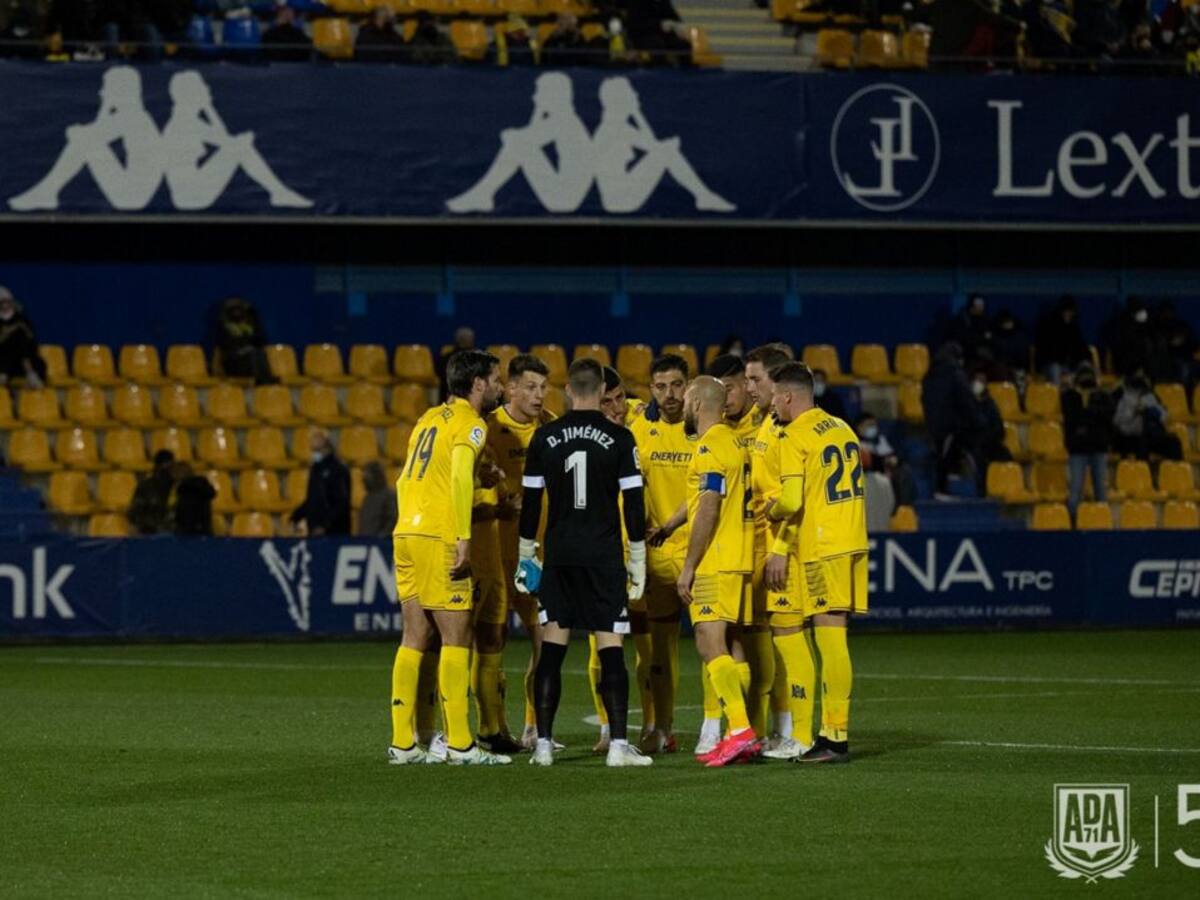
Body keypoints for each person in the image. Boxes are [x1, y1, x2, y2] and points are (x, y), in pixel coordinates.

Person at [516, 358, 651, 768]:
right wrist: (638, 558)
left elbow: (530, 502)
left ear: (570, 390)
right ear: (602, 390)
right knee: (611, 650)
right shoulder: (621, 437)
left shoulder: (544, 437)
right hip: (603, 557)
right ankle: (618, 747)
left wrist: (525, 554)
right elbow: (634, 502)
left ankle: (543, 745)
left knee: (552, 650)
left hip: (560, 557)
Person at [389, 349, 508, 766]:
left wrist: (478, 476)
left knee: (414, 637)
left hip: (407, 531)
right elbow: (457, 476)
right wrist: (462, 538)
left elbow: (407, 478)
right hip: (439, 535)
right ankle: (460, 744)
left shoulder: (428, 419)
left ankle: (403, 744)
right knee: (457, 638)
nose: (500, 387)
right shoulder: (471, 424)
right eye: (496, 380)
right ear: (477, 384)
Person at [767, 361, 869, 764]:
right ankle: (831, 732)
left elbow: (792, 500)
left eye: (776, 397)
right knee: (835, 637)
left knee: (830, 640)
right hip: (850, 538)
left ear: (788, 397)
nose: (773, 404)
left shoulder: (795, 434)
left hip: (823, 545)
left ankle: (835, 737)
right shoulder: (842, 427)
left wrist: (771, 508)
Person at [675, 376, 757, 767]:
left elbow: (708, 507)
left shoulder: (709, 446)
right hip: (738, 556)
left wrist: (689, 566)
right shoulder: (735, 442)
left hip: (715, 559)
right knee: (733, 644)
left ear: (696, 402)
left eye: (685, 399)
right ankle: (736, 734)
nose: (682, 406)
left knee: (709, 644)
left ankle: (739, 729)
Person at [485, 353, 555, 751]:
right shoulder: (489, 428)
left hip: (538, 556)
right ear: (510, 388)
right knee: (490, 643)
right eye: (530, 387)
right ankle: (494, 728)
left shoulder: (551, 426)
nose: (538, 395)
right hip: (496, 554)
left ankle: (533, 726)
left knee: (545, 641)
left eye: (543, 387)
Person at [745, 343, 811, 758]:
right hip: (769, 546)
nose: (750, 387)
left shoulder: (787, 430)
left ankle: (799, 735)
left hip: (786, 550)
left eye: (755, 379)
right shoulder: (768, 423)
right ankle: (788, 730)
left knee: (791, 639)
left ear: (777, 381)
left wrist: (781, 549)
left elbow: (792, 499)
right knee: (780, 641)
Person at [628, 353, 694, 754]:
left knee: (716, 644)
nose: (669, 394)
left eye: (676, 385)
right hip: (656, 554)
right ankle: (661, 726)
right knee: (659, 650)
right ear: (651, 389)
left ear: (688, 386)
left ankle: (722, 727)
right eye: (661, 386)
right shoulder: (639, 430)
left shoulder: (705, 429)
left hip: (700, 553)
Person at [8, 67, 164, 212]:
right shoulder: (135, 115)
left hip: (131, 196)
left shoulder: (132, 117)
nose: (102, 92)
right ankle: (47, 191)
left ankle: (47, 191)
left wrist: (104, 107)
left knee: (83, 139)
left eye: (106, 87)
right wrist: (102, 111)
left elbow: (90, 133)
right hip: (131, 193)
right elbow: (96, 130)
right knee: (85, 138)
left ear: (120, 91)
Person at [162, 71, 312, 211]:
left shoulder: (186, 120)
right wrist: (208, 107)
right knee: (240, 146)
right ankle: (279, 192)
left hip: (189, 194)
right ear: (191, 94)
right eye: (202, 86)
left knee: (239, 146)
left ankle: (279, 192)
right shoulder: (185, 123)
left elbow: (223, 138)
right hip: (191, 195)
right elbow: (226, 141)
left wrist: (208, 107)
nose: (207, 89)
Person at [446, 72, 594, 214]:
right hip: (563, 195)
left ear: (554, 95)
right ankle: (483, 193)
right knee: (519, 143)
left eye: (539, 92)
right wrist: (539, 111)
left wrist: (536, 113)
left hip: (563, 199)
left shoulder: (564, 121)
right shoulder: (564, 119)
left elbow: (520, 137)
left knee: (518, 143)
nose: (535, 97)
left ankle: (483, 194)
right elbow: (530, 134)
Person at [592, 77, 734, 213]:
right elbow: (655, 146)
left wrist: (636, 113)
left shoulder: (618, 126)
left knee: (666, 150)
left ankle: (703, 196)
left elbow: (652, 144)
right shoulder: (614, 128)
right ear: (620, 99)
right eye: (631, 92)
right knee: (667, 151)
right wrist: (636, 113)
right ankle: (703, 196)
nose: (636, 95)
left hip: (620, 197)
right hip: (620, 199)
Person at [923, 342, 985, 496]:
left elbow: (924, 399)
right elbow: (966, 400)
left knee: (942, 452)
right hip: (951, 424)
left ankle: (947, 481)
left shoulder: (929, 375)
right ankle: (942, 489)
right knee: (948, 454)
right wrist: (977, 421)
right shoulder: (956, 374)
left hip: (933, 423)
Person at [1061, 363, 1113, 517]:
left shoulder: (1103, 396)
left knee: (1101, 491)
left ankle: (1102, 522)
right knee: (1075, 490)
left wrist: (1090, 406)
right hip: (1077, 449)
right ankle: (1072, 524)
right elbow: (1072, 417)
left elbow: (1107, 416)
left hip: (1098, 447)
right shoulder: (1069, 396)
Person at [290, 429, 351, 537]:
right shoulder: (316, 469)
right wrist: (295, 517)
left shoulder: (338, 469)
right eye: (313, 450)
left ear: (327, 446)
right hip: (315, 531)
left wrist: (324, 525)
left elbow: (341, 503)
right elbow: (313, 499)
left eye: (317, 450)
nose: (314, 453)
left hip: (335, 533)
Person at [1112, 374, 1184, 460]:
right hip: (1129, 437)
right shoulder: (1122, 398)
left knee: (1174, 441)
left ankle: (1172, 467)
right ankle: (1143, 467)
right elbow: (1118, 421)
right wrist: (1135, 411)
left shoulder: (1150, 397)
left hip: (1152, 436)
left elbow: (1163, 415)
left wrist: (1150, 410)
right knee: (1142, 440)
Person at [855, 413, 917, 509]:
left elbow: (892, 456)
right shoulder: (856, 443)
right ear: (859, 427)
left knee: (904, 471)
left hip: (886, 473)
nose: (873, 428)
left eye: (874, 425)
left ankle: (904, 508)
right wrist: (884, 462)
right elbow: (869, 463)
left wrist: (892, 461)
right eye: (869, 425)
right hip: (869, 477)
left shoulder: (880, 439)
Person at [215, 296, 274, 384]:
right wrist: (243, 348)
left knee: (259, 354)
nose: (237, 313)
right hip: (233, 364)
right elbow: (226, 348)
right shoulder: (223, 328)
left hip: (250, 362)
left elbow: (261, 342)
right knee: (253, 355)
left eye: (239, 310)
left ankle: (265, 382)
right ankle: (264, 382)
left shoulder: (250, 327)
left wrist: (254, 317)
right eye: (234, 310)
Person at [707, 353, 762, 444]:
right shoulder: (715, 425)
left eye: (728, 390)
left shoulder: (767, 418)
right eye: (718, 393)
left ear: (746, 383)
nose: (723, 399)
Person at [1035, 295, 1091, 384]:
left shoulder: (1073, 328)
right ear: (1061, 311)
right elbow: (1046, 352)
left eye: (1071, 312)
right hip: (1052, 364)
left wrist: (1082, 360)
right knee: (1055, 368)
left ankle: (1086, 391)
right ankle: (1057, 392)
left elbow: (1081, 348)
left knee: (1085, 365)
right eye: (1066, 311)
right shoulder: (1049, 326)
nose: (1069, 314)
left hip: (1070, 365)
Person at [0, 287, 47, 386]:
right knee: (13, 342)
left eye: (7, 302)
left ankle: (31, 373)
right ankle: (27, 372)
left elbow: (31, 339)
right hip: (4, 359)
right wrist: (6, 334)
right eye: (2, 303)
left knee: (21, 338)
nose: (5, 306)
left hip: (23, 360)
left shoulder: (22, 320)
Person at [129, 450, 176, 535]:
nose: (166, 470)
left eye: (169, 466)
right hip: (150, 532)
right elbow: (135, 513)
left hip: (173, 533)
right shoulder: (145, 486)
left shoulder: (177, 486)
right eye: (163, 466)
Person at [948, 293, 996, 370]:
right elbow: (960, 341)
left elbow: (990, 338)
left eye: (981, 305)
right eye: (977, 305)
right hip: (967, 356)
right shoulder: (962, 320)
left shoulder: (986, 320)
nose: (980, 308)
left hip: (984, 357)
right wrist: (976, 349)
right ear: (971, 306)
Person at [170, 462, 216, 536]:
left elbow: (185, 514)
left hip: (189, 532)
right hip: (203, 530)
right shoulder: (201, 485)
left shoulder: (185, 491)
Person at [356, 461, 397, 537]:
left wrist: (382, 536)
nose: (364, 480)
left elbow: (392, 519)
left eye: (367, 477)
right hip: (366, 541)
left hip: (382, 542)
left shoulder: (389, 495)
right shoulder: (367, 498)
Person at [992, 309, 1031, 381]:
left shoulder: (1020, 337)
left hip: (1019, 369)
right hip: (1001, 370)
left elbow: (1024, 356)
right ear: (1001, 324)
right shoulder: (996, 338)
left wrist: (1021, 369)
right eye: (1005, 322)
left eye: (1009, 322)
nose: (1008, 324)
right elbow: (996, 357)